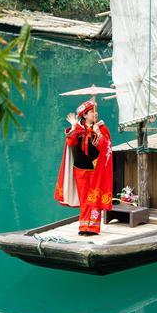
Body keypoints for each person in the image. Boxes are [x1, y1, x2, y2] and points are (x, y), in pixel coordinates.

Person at [54, 99, 113, 235]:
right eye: (92, 112)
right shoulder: (78, 128)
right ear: (85, 115)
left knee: (94, 198)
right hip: (79, 168)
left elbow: (104, 147)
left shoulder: (102, 128)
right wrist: (75, 127)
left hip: (95, 169)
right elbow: (70, 142)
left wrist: (97, 133)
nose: (95, 114)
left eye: (95, 112)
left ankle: (93, 227)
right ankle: (83, 226)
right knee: (84, 199)